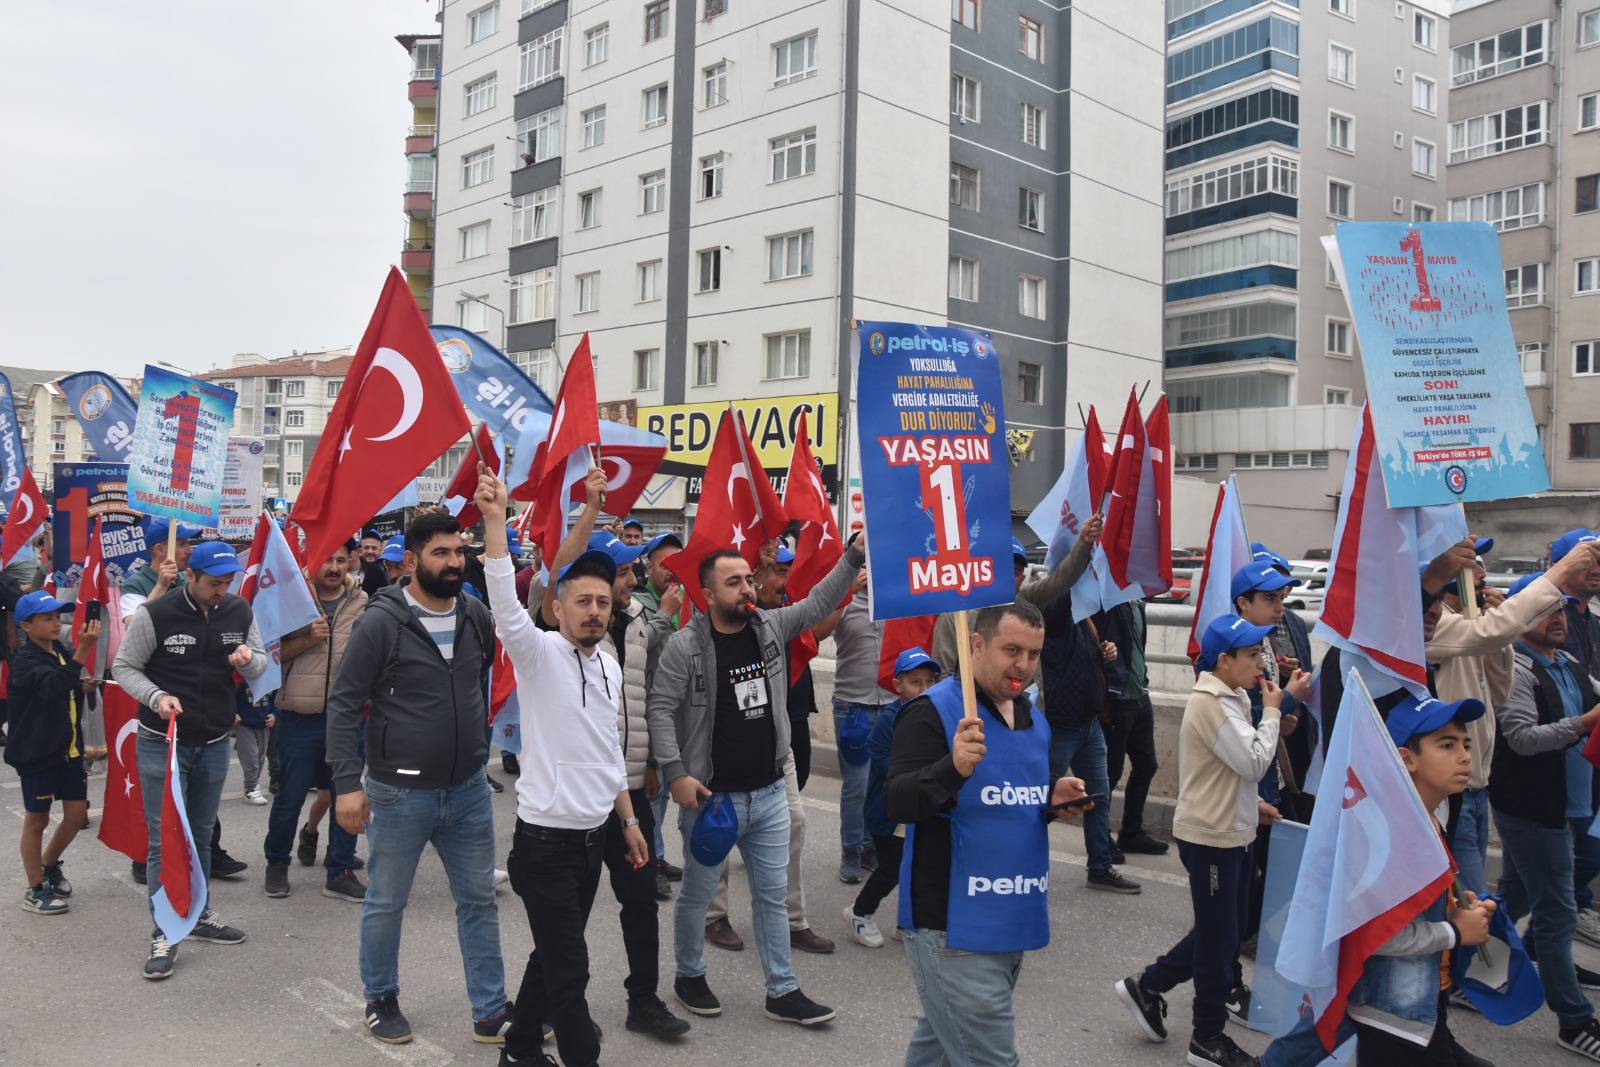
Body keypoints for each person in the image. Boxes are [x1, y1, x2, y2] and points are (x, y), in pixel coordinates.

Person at [477, 474, 682, 1067]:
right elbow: (502, 598)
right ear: (558, 608)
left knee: (551, 954)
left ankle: (517, 1048)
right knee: (573, 969)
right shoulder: (538, 654)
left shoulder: (611, 669)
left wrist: (629, 821)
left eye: (601, 601)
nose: (594, 611)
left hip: (594, 837)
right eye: (581, 602)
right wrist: (495, 520)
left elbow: (605, 755)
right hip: (543, 845)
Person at [646, 534, 865, 1025]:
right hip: (711, 802)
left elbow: (818, 604)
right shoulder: (685, 647)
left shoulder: (768, 625)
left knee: (770, 896)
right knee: (699, 896)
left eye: (749, 578)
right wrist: (676, 773)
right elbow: (660, 708)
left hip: (768, 794)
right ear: (708, 595)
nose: (748, 587)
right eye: (734, 582)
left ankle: (781, 991)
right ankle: (688, 974)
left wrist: (854, 555)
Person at [326, 512, 509, 1047]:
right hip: (399, 790)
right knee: (387, 900)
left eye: (459, 552)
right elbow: (342, 704)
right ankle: (380, 998)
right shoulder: (381, 622)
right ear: (411, 561)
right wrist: (346, 784)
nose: (454, 562)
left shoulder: (475, 614)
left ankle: (491, 1010)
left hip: (469, 787)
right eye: (441, 553)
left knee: (478, 900)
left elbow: (478, 679)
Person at [885, 602, 1089, 1065]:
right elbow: (896, 801)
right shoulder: (932, 712)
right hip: (954, 929)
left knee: (937, 1050)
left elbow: (1010, 797)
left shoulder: (1033, 717)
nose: (1023, 665)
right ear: (975, 643)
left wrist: (1052, 798)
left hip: (1014, 919)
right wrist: (951, 767)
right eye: (1011, 650)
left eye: (1034, 654)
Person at [1259, 695, 1498, 1067]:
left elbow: (1413, 907)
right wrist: (1454, 932)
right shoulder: (1394, 836)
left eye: (1465, 744)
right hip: (1394, 1016)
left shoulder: (1431, 820)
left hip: (1418, 1003)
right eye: (1447, 745)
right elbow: (1375, 934)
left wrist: (1456, 905)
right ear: (1406, 759)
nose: (1465, 755)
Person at [1115, 614, 1283, 1067]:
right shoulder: (1213, 700)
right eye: (1251, 655)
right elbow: (1252, 762)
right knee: (1218, 940)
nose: (1259, 663)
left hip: (1233, 829)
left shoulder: (1230, 695)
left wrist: (1254, 806)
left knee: (1224, 930)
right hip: (1212, 837)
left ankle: (1148, 985)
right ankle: (1207, 1036)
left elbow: (1229, 771)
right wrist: (1273, 711)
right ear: (1224, 661)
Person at [112, 541, 268, 980]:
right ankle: (165, 929)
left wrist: (248, 659)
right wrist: (157, 697)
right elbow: (125, 667)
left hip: (216, 738)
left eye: (227, 583)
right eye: (213, 583)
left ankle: (197, 914)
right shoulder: (156, 613)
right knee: (165, 839)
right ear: (190, 576)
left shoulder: (238, 610)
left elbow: (259, 663)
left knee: (200, 834)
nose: (221, 591)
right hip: (162, 740)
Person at [1487, 575, 1600, 1060]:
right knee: (1556, 914)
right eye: (1545, 610)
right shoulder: (1513, 665)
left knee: (1511, 894)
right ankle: (1573, 1021)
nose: (1558, 620)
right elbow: (1522, 739)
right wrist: (1585, 724)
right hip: (1534, 808)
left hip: (1571, 806)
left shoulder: (1570, 662)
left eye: (1562, 610)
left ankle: (1468, 966)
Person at [704, 542, 836, 955]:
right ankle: (713, 915)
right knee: (718, 833)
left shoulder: (779, 619)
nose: (787, 580)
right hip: (722, 754)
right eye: (779, 571)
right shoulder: (711, 630)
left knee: (794, 823)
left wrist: (851, 558)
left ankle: (792, 920)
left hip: (781, 738)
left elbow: (819, 612)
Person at [263, 539, 369, 903]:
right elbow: (266, 657)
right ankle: (277, 862)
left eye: (342, 560)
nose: (335, 567)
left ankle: (339, 869)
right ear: (313, 561)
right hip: (299, 718)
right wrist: (308, 639)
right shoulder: (292, 599)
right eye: (328, 559)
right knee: (290, 798)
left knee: (347, 795)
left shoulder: (363, 603)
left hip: (346, 720)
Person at [6, 592, 99, 914]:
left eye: (57, 616)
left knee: (76, 816)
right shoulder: (23, 660)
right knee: (37, 819)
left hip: (68, 750)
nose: (55, 623)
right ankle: (34, 890)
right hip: (37, 752)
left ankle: (48, 866)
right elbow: (48, 687)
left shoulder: (60, 651)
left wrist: (80, 685)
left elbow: (64, 684)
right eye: (46, 618)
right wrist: (85, 649)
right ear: (26, 626)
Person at [842, 646, 938, 948]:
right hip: (889, 809)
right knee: (892, 868)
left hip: (919, 806)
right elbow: (882, 760)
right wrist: (921, 769)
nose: (924, 688)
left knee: (918, 865)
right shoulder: (889, 718)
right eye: (915, 682)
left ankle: (906, 920)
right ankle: (860, 913)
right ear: (898, 685)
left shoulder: (935, 713)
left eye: (929, 681)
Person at [829, 563, 888, 884]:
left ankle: (870, 846)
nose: (869, 570)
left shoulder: (894, 600)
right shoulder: (845, 602)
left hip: (891, 706)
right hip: (853, 708)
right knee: (856, 785)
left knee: (881, 784)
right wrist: (847, 591)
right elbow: (819, 631)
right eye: (863, 564)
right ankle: (850, 849)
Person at [1097, 597, 1166, 856]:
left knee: (1147, 764)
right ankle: (1101, 837)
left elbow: (1136, 647)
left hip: (1138, 694)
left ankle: (1131, 832)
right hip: (1116, 698)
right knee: (1110, 772)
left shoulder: (1137, 605)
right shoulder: (1108, 601)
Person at [635, 531, 684, 884]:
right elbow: (638, 649)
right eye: (664, 564)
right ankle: (647, 863)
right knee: (651, 790)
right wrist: (665, 613)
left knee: (668, 789)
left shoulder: (691, 599)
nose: (671, 570)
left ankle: (659, 855)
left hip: (684, 711)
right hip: (650, 709)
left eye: (677, 564)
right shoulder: (637, 604)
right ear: (649, 566)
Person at [118, 518, 204, 618]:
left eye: (188, 543)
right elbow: (132, 626)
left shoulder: (186, 578)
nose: (190, 550)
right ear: (159, 549)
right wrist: (161, 586)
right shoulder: (134, 584)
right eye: (181, 544)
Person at [234, 682, 274, 805]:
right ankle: (251, 788)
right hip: (245, 725)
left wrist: (275, 715)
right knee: (250, 757)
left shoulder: (270, 683)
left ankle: (253, 782)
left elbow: (276, 702)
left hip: (263, 725)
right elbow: (231, 698)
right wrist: (233, 712)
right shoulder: (242, 683)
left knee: (260, 757)